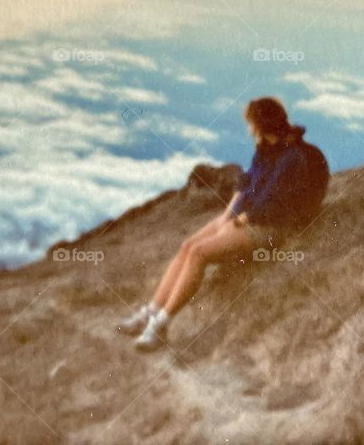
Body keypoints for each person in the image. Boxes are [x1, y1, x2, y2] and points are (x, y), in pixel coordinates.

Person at [116, 96, 329, 352]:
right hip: (246, 217)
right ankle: (150, 312)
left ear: (262, 124)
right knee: (187, 245)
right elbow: (246, 183)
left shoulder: (292, 157)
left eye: (251, 123)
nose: (248, 128)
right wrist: (226, 216)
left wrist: (240, 221)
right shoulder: (266, 148)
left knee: (199, 253)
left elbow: (275, 203)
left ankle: (161, 325)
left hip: (269, 227)